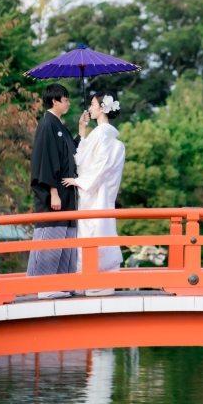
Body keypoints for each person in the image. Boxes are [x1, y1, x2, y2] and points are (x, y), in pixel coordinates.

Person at [27, 83, 89, 299]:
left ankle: (62, 283)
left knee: (66, 237)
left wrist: (81, 128)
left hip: (66, 192)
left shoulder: (59, 126)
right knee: (52, 235)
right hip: (54, 193)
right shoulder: (47, 125)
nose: (68, 103)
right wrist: (52, 191)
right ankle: (45, 286)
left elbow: (71, 153)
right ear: (54, 100)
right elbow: (46, 160)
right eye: (65, 99)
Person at [62, 91, 126, 297]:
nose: (90, 108)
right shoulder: (102, 134)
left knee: (96, 231)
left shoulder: (103, 135)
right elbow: (82, 157)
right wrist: (82, 128)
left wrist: (80, 181)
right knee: (97, 231)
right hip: (97, 192)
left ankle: (97, 281)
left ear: (102, 108)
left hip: (96, 192)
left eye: (92, 104)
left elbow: (100, 166)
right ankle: (95, 281)